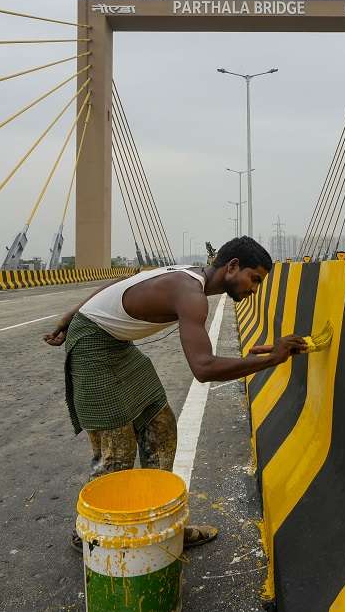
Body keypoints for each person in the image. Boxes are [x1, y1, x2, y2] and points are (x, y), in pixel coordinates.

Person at [44, 236, 304, 551]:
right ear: (233, 266)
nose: (254, 289)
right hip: (92, 346)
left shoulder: (190, 275)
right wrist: (268, 360)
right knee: (117, 451)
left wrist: (69, 314)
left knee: (161, 427)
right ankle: (92, 532)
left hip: (118, 345)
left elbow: (123, 282)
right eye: (255, 279)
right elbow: (204, 368)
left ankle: (161, 523)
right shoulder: (192, 294)